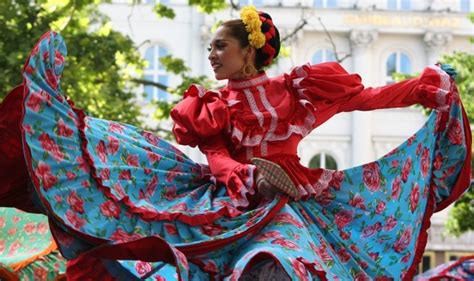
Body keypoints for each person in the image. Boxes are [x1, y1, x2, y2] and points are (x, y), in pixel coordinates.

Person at [0, 5, 471, 280]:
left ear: (248, 51)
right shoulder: (212, 106)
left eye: (220, 46)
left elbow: (366, 99)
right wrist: (240, 176)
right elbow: (217, 155)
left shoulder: (295, 92)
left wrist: (423, 88)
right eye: (209, 47)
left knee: (278, 261)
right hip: (226, 202)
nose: (211, 54)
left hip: (292, 203)